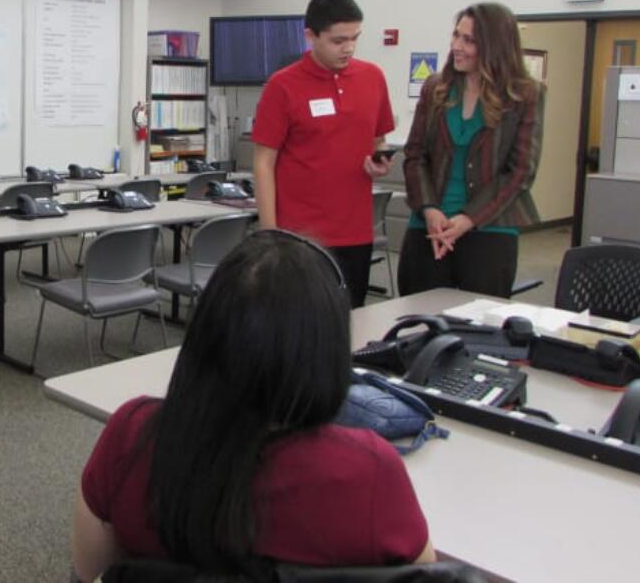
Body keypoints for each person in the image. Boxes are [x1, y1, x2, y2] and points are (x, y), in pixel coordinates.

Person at [71, 231, 434, 581]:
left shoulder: (132, 435)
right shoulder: (369, 472)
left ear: (203, 334)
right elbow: (428, 576)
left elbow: (90, 572)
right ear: (329, 351)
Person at [252, 0, 396, 307]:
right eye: (338, 40)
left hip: (356, 231)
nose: (348, 48)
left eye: (355, 38)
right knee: (299, 327)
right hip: (299, 236)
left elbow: (377, 142)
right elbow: (263, 161)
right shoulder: (282, 85)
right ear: (310, 36)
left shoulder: (373, 77)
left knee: (350, 323)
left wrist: (379, 162)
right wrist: (269, 233)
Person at [398, 3, 544, 298]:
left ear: (494, 47)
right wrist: (429, 209)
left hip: (489, 229)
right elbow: (415, 155)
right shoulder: (435, 88)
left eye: (469, 40)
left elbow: (520, 171)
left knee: (477, 324)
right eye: (456, 36)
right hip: (429, 227)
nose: (456, 47)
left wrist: (467, 219)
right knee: (414, 323)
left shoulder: (525, 94)